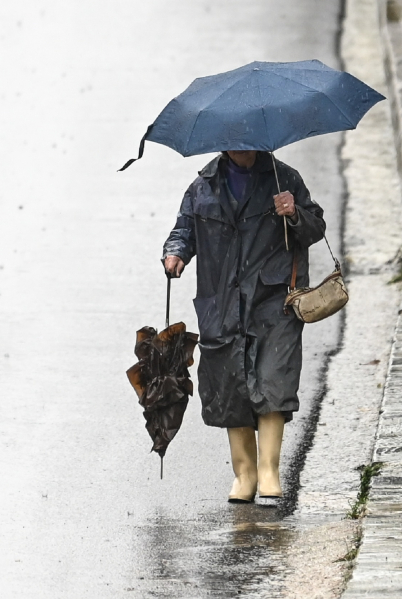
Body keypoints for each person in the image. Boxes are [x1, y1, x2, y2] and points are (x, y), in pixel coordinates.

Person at [162, 149, 325, 503]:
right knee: (230, 385)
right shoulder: (202, 187)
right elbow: (183, 229)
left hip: (273, 299)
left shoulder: (286, 179)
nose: (242, 148)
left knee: (273, 379)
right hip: (221, 301)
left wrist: (294, 212)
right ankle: (244, 474)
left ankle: (269, 471)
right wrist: (175, 253)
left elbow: (315, 228)